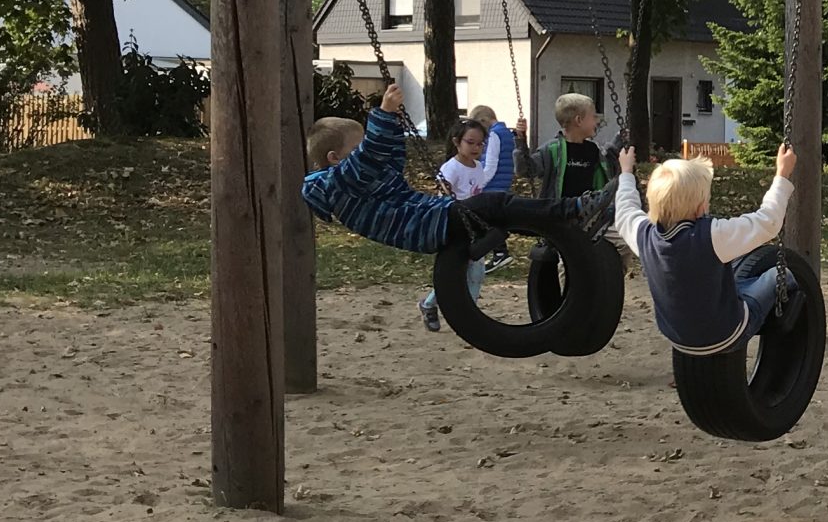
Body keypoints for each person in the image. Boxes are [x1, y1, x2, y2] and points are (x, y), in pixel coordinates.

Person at [306, 83, 606, 268]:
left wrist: (393, 127)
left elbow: (387, 162)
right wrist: (383, 115)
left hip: (429, 217)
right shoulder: (338, 182)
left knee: (501, 214)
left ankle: (562, 224)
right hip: (427, 224)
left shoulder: (358, 183)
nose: (363, 151)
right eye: (355, 147)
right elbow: (370, 157)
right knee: (494, 204)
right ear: (335, 158)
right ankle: (574, 208)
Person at [611, 142, 799, 354]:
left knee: (735, 280)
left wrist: (626, 172)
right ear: (701, 207)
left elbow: (625, 209)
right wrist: (782, 175)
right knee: (780, 275)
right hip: (727, 334)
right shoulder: (711, 235)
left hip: (677, 339)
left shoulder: (643, 235)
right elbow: (767, 222)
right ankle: (793, 326)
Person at [419, 114, 523, 333]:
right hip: (454, 226)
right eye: (470, 142)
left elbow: (477, 193)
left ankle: (470, 317)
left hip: (473, 227)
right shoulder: (451, 168)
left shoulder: (477, 166)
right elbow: (443, 197)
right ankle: (429, 304)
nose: (476, 148)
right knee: (452, 274)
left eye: (480, 144)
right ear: (457, 142)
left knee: (476, 273)